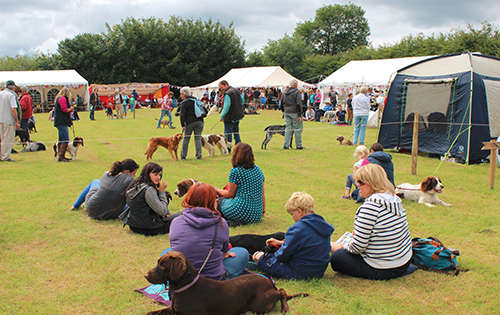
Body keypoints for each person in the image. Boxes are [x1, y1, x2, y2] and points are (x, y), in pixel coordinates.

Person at [330, 164, 412, 280]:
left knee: (337, 257)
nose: (357, 185)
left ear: (373, 183)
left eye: (361, 182)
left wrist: (341, 246)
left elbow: (358, 247)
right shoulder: (394, 199)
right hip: (404, 261)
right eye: (357, 181)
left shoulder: (370, 207)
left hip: (385, 268)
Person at [166, 182, 249, 280]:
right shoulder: (221, 223)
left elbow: (175, 249)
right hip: (212, 280)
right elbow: (224, 250)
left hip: (183, 278)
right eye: (216, 198)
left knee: (166, 252)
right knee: (242, 252)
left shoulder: (176, 222)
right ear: (212, 201)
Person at [252, 191, 334, 279]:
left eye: (292, 214)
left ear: (299, 212)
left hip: (300, 272)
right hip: (319, 271)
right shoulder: (321, 225)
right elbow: (307, 244)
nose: (292, 218)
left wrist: (265, 257)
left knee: (261, 256)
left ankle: (258, 259)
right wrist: (281, 243)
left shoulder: (296, 229)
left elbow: (282, 256)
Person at [71, 159, 139, 220]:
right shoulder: (129, 179)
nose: (134, 176)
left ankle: (75, 205)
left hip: (92, 208)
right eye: (134, 173)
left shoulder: (106, 174)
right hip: (114, 213)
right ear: (127, 172)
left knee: (96, 181)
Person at [123, 162, 180, 236]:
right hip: (149, 228)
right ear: (147, 174)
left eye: (159, 175)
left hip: (134, 226)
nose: (158, 177)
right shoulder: (149, 189)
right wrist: (162, 192)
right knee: (183, 214)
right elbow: (163, 211)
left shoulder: (137, 185)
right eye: (155, 174)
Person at [216, 142, 265, 226]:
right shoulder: (258, 170)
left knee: (218, 202)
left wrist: (216, 189)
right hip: (256, 215)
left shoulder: (236, 171)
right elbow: (262, 194)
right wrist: (262, 212)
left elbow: (230, 194)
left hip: (240, 209)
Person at [179, 86, 204, 160]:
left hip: (190, 122)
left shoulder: (184, 103)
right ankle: (199, 155)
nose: (180, 95)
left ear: (184, 94)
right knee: (198, 138)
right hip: (200, 121)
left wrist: (182, 124)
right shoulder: (196, 100)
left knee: (186, 138)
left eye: (181, 94)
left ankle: (183, 155)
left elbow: (182, 114)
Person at [218, 80, 244, 146]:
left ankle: (228, 148)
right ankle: (239, 146)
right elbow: (242, 100)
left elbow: (226, 106)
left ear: (226, 84)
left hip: (230, 116)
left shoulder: (228, 93)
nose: (221, 89)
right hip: (237, 115)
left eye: (222, 87)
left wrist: (222, 116)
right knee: (236, 132)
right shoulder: (236, 90)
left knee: (228, 133)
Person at [280, 79, 304, 150]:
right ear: (295, 84)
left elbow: (281, 103)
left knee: (288, 129)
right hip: (295, 112)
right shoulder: (297, 92)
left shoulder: (284, 92)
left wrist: (284, 111)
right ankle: (299, 145)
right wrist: (299, 115)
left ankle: (286, 145)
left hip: (287, 112)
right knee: (297, 129)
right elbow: (299, 104)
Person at [0, 80, 20, 162]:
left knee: (2, 138)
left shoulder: (1, 94)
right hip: (8, 119)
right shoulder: (11, 95)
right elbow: (13, 109)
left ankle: (2, 155)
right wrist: (16, 121)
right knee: (8, 139)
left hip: (1, 119)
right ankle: (5, 157)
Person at [53, 87, 74, 162]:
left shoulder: (59, 98)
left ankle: (60, 155)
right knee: (65, 139)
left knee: (61, 139)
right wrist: (71, 109)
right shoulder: (62, 98)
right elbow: (64, 109)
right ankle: (61, 156)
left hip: (60, 121)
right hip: (61, 121)